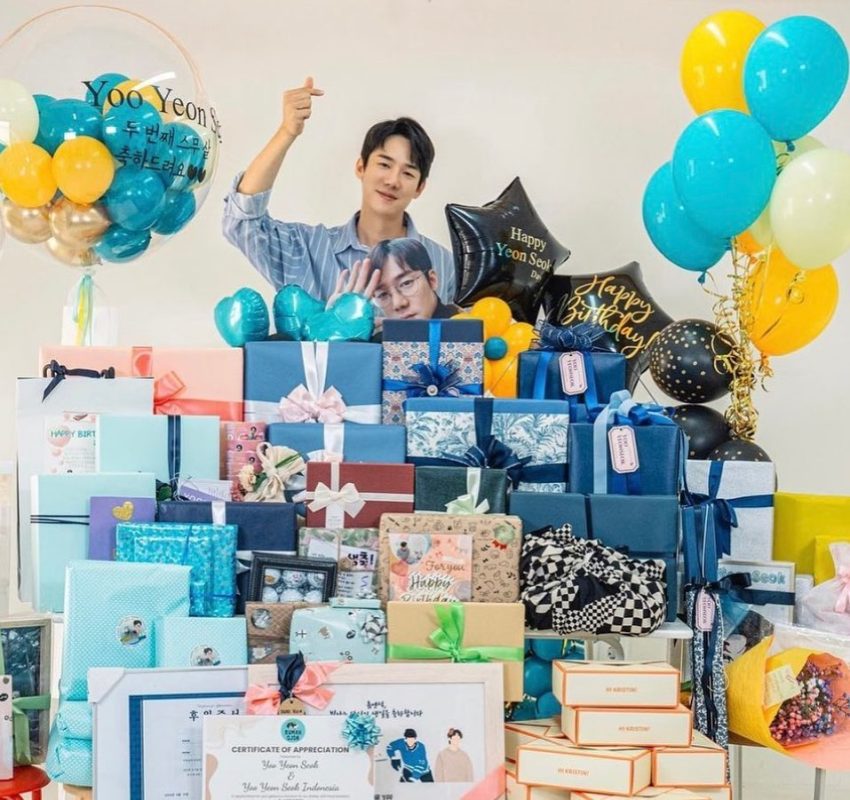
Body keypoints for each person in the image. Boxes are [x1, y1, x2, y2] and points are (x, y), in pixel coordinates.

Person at [222, 77, 455, 305]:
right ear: (361, 167)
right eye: (384, 164)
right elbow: (243, 223)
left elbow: (466, 325)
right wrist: (287, 132)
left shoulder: (445, 265)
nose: (393, 181)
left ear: (420, 187)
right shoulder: (306, 250)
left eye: (408, 173)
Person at [367, 238, 461, 320]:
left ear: (432, 280)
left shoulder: (464, 328)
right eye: (383, 294)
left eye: (406, 283)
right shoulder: (376, 335)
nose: (398, 303)